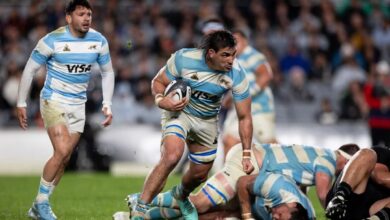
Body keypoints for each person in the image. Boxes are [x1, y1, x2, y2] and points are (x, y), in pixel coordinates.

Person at [130, 30, 254, 220]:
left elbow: (244, 116)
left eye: (233, 54)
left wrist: (246, 153)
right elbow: (158, 82)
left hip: (207, 121)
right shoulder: (184, 59)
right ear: (211, 53)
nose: (231, 60)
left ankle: (180, 196)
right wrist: (162, 101)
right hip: (180, 113)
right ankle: (140, 208)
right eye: (225, 55)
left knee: (199, 175)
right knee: (172, 156)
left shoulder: (237, 73)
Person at [16, 0, 115, 219]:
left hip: (78, 104)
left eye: (89, 14)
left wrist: (107, 103)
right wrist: (21, 103)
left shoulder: (98, 41)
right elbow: (30, 70)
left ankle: (38, 205)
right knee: (61, 151)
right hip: (54, 99)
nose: (87, 18)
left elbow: (108, 72)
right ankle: (41, 203)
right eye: (81, 14)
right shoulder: (51, 40)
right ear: (68, 17)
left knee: (65, 156)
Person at [123, 142, 357, 219]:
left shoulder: (317, 154)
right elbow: (325, 197)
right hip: (251, 165)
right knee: (199, 203)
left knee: (210, 213)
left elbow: (300, 187)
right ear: (347, 162)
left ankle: (141, 214)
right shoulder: (327, 161)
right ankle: (142, 201)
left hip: (258, 168)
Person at [222, 29, 275, 157]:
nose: (234, 45)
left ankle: (288, 169)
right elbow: (239, 86)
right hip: (241, 110)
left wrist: (245, 95)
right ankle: (231, 175)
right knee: (229, 140)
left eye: (237, 42)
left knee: (270, 146)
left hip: (258, 108)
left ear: (245, 41)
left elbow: (266, 75)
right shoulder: (234, 62)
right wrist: (229, 98)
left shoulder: (252, 55)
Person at [325, 146, 390, 219]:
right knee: (368, 154)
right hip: (348, 200)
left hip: (365, 213)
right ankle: (338, 198)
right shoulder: (384, 154)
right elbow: (379, 176)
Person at [237, 172, 315, 220]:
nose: (275, 217)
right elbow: (242, 182)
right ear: (293, 205)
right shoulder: (276, 187)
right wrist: (247, 216)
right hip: (244, 183)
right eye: (280, 215)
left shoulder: (309, 215)